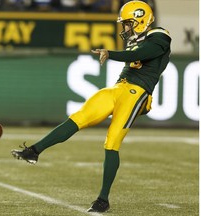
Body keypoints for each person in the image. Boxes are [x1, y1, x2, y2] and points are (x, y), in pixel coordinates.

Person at [11, 0, 171, 213]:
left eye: (128, 23)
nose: (125, 28)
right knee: (79, 117)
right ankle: (34, 151)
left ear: (141, 20)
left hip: (138, 93)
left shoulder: (160, 35)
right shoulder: (136, 39)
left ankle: (103, 200)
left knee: (112, 141)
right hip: (118, 88)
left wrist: (110, 53)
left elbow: (141, 54)